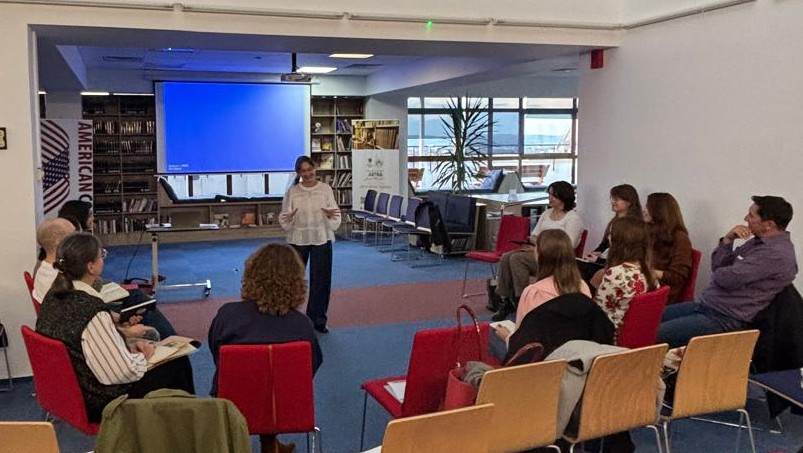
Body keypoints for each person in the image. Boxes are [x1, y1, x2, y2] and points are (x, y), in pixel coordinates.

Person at [35, 232, 194, 423]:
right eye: (101, 255)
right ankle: (185, 424)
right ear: (91, 267)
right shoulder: (92, 310)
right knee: (177, 363)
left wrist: (125, 345)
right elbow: (122, 373)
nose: (103, 258)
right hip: (98, 399)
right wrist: (144, 356)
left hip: (68, 388)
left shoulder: (53, 297)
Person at [208, 243, 322, 453]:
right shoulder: (303, 325)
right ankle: (270, 442)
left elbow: (217, 355)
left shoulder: (228, 316)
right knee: (274, 382)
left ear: (251, 276)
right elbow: (311, 367)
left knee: (248, 380)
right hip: (285, 407)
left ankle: (245, 442)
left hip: (233, 405)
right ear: (297, 282)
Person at [658, 196, 797, 348]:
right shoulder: (757, 242)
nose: (746, 219)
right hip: (707, 305)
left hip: (725, 318)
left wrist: (723, 272)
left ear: (769, 225)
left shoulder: (775, 254)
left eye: (751, 216)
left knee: (650, 335)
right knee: (647, 319)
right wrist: (728, 240)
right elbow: (718, 266)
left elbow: (725, 279)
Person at [32, 219, 177, 339]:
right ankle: (172, 343)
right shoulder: (62, 283)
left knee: (137, 299)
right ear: (63, 243)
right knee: (141, 304)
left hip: (91, 322)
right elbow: (87, 322)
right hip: (99, 333)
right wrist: (126, 332)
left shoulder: (45, 270)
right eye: (74, 235)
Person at [493, 181, 584, 321]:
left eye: (554, 196)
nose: (550, 198)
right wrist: (541, 243)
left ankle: (521, 299)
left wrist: (541, 243)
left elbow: (566, 245)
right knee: (506, 257)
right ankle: (505, 299)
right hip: (538, 252)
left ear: (563, 197)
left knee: (517, 259)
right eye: (549, 195)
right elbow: (533, 236)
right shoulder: (547, 213)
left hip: (557, 259)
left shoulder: (573, 218)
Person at [494, 229, 592, 343]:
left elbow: (523, 341)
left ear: (539, 254)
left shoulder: (534, 292)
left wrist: (507, 337)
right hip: (577, 348)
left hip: (545, 350)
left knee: (495, 338)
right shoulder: (583, 286)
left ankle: (505, 301)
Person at [280, 155, 341, 334]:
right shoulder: (292, 192)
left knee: (321, 281)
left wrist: (330, 215)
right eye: (303, 171)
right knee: (293, 280)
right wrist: (289, 218)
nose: (307, 174)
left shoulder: (325, 189)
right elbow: (284, 216)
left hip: (321, 237)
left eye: (309, 170)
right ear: (298, 173)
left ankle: (318, 320)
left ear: (315, 169)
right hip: (298, 239)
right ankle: (290, 319)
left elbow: (335, 213)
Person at [592, 216, 658, 341]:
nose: (608, 238)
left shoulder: (615, 274)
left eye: (611, 235)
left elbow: (598, 313)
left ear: (620, 241)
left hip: (610, 337)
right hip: (634, 334)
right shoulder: (649, 272)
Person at [579, 184, 643, 283]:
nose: (613, 202)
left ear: (629, 202)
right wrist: (596, 252)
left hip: (613, 266)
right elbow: (605, 244)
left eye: (617, 199)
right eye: (613, 199)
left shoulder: (633, 226)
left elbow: (624, 257)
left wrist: (598, 260)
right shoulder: (614, 221)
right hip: (605, 261)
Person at [645, 193, 693, 304]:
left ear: (659, 211)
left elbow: (678, 276)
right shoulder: (649, 231)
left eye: (647, 207)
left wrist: (649, 272)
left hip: (663, 291)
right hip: (648, 283)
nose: (643, 210)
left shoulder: (680, 238)